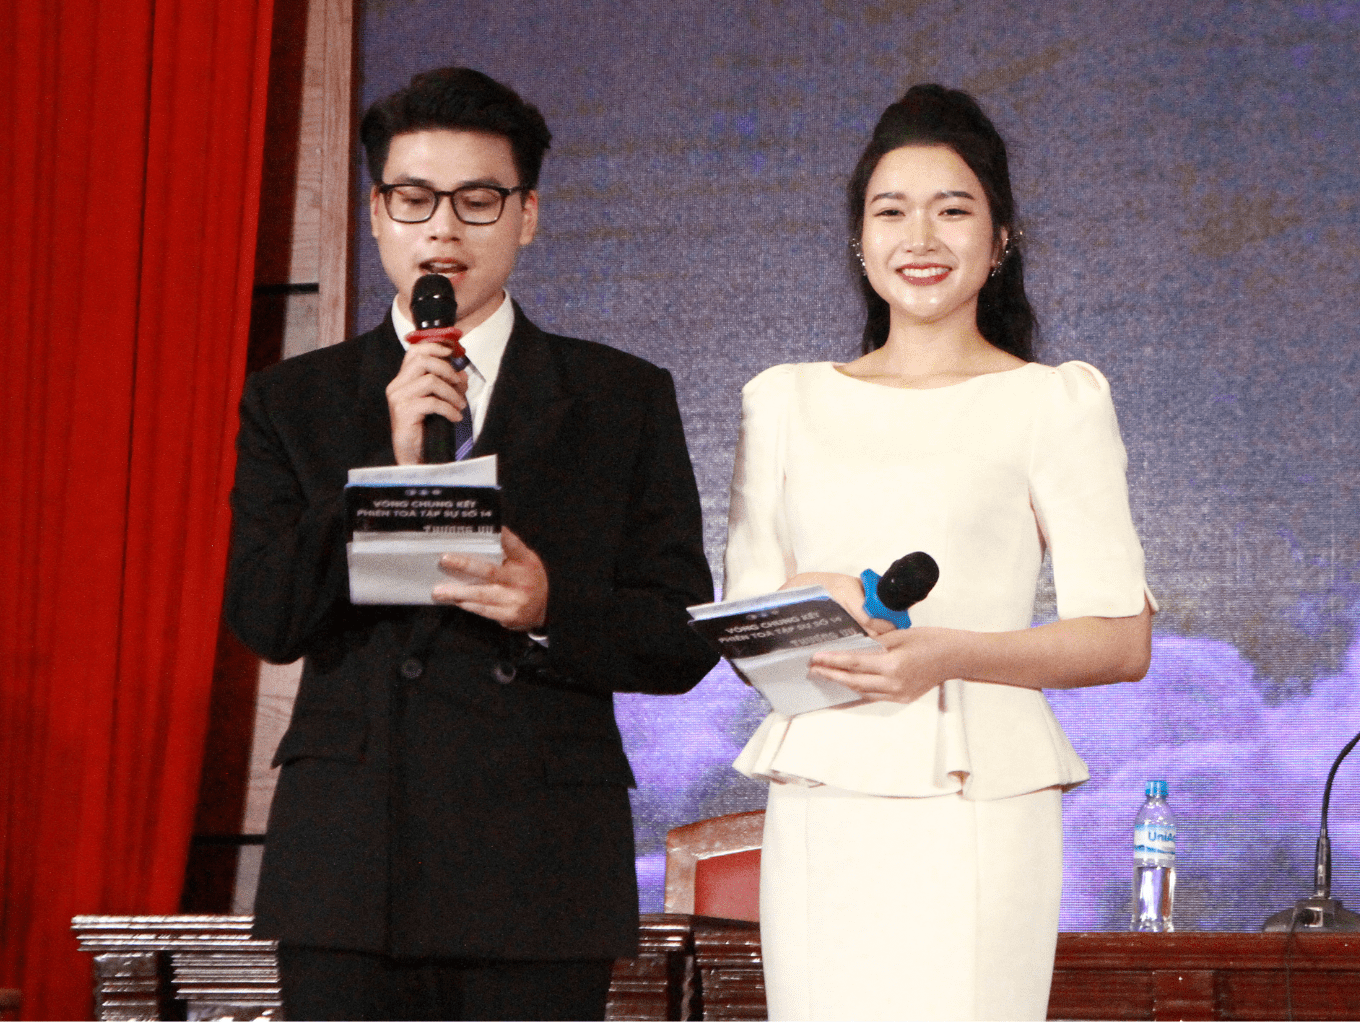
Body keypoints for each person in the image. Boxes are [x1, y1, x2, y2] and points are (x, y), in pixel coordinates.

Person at [225, 66, 721, 1022]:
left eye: (477, 200)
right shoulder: (296, 399)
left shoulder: (620, 397)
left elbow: (678, 635)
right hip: (352, 865)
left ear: (527, 215)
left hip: (539, 864)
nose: (443, 230)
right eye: (414, 199)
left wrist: (550, 608)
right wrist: (383, 467)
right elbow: (266, 616)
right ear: (377, 213)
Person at [723, 85, 1159, 1021]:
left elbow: (1122, 640)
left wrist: (950, 654)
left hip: (980, 796)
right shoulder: (784, 402)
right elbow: (747, 635)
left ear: (1000, 241)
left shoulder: (1053, 402)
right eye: (892, 212)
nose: (919, 237)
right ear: (859, 239)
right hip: (825, 794)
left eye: (952, 210)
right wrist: (811, 596)